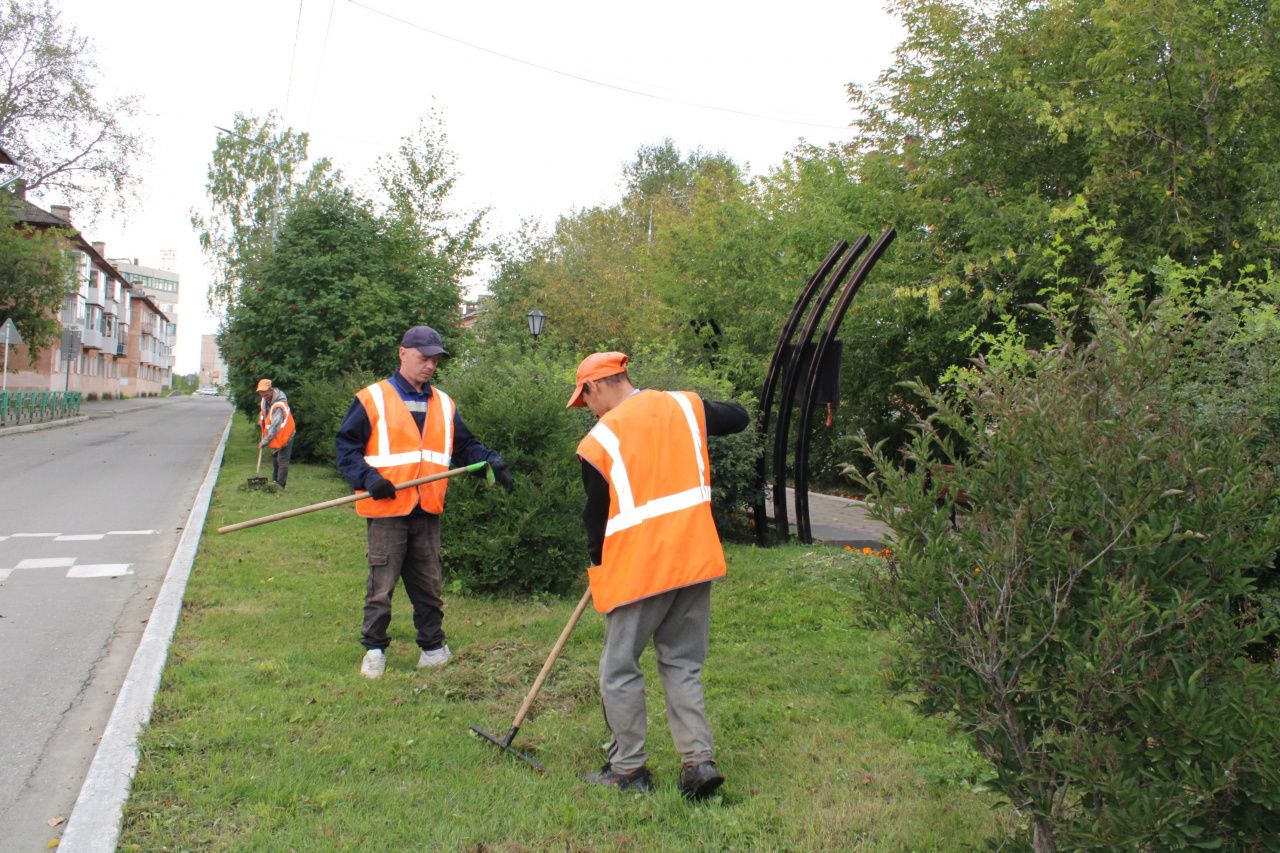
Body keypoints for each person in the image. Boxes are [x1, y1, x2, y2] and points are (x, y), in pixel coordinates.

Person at [568, 351, 748, 799]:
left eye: (584, 399)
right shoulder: (685, 407)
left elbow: (596, 519)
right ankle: (697, 763)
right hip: (693, 559)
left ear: (596, 386)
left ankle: (629, 771)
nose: (588, 410)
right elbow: (739, 417)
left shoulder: (599, 441)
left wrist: (598, 567)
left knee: (619, 668)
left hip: (639, 570)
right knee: (683, 663)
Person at [335, 325, 515, 679]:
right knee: (381, 585)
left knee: (429, 583)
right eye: (423, 358)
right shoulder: (373, 398)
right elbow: (346, 449)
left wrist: (489, 462)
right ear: (402, 353)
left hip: (427, 508)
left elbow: (464, 447)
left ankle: (432, 648)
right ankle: (374, 650)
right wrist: (369, 478)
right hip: (387, 509)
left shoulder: (444, 404)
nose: (430, 365)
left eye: (435, 359)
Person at [257, 378, 296, 489]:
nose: (263, 395)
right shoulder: (265, 400)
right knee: (275, 460)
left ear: (271, 390)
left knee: (282, 461)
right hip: (276, 436)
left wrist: (264, 442)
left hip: (286, 434)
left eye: (265, 393)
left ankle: (280, 487)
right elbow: (264, 412)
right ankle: (274, 483)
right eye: (261, 393)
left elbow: (274, 427)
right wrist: (261, 419)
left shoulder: (279, 404)